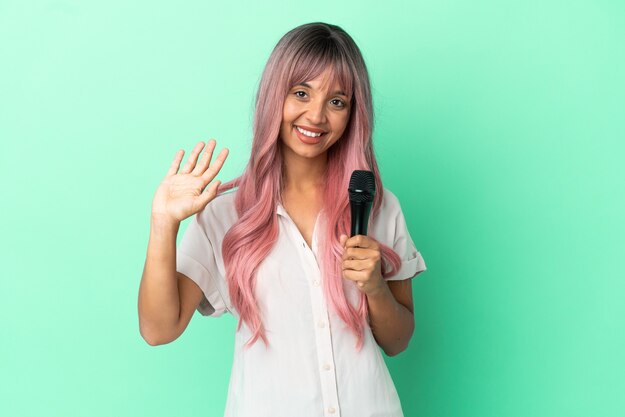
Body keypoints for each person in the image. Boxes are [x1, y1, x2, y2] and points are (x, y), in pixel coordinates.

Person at [138, 22, 426, 417]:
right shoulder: (227, 215)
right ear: (276, 96)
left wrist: (375, 287)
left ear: (353, 113)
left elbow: (398, 341)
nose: (316, 116)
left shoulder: (378, 207)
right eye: (302, 93)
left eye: (337, 101)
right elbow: (158, 330)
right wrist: (163, 224)